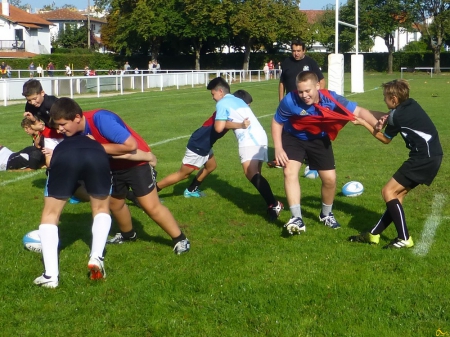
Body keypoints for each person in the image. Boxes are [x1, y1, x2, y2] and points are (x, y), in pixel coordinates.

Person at [50, 98, 190, 254]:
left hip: (136, 162)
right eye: (57, 125)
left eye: (62, 124)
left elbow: (130, 146)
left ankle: (180, 239)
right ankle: (128, 235)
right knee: (115, 204)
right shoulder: (73, 132)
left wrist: (94, 145)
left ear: (76, 117)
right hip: (111, 165)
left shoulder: (100, 119)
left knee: (150, 206)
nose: (60, 129)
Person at [271, 71, 383, 234]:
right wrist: (278, 148)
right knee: (289, 172)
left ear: (317, 86)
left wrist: (377, 123)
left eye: (307, 90)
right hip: (294, 137)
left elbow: (358, 111)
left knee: (330, 179)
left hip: (318, 139)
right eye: (300, 91)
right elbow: (277, 122)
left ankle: (326, 214)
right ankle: (296, 218)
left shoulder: (331, 99)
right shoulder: (290, 100)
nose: (304, 95)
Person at [348, 79, 443, 249]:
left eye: (385, 97)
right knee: (397, 196)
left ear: (394, 98)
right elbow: (393, 117)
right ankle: (374, 234)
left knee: (387, 191)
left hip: (422, 158)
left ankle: (404, 238)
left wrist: (363, 123)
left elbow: (385, 139)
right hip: (433, 156)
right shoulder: (411, 104)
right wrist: (386, 117)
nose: (384, 100)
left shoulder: (396, 116)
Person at [32, 132, 112, 288]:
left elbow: (49, 164)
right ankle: (96, 256)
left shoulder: (53, 134)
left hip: (65, 156)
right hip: (97, 155)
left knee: (50, 214)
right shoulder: (92, 133)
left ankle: (50, 276)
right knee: (101, 208)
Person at [209, 77, 283, 221]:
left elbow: (218, 128)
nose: (213, 98)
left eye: (213, 94)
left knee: (250, 172)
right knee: (256, 174)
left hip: (249, 138)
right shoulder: (238, 100)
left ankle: (274, 204)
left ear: (220, 91)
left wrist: (237, 125)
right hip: (260, 135)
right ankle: (270, 205)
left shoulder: (222, 103)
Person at [156, 90, 252, 198]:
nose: (247, 110)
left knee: (211, 166)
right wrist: (241, 125)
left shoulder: (230, 109)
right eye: (246, 106)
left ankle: (191, 190)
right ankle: (151, 193)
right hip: (199, 144)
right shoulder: (226, 110)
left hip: (205, 143)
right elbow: (224, 124)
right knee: (183, 174)